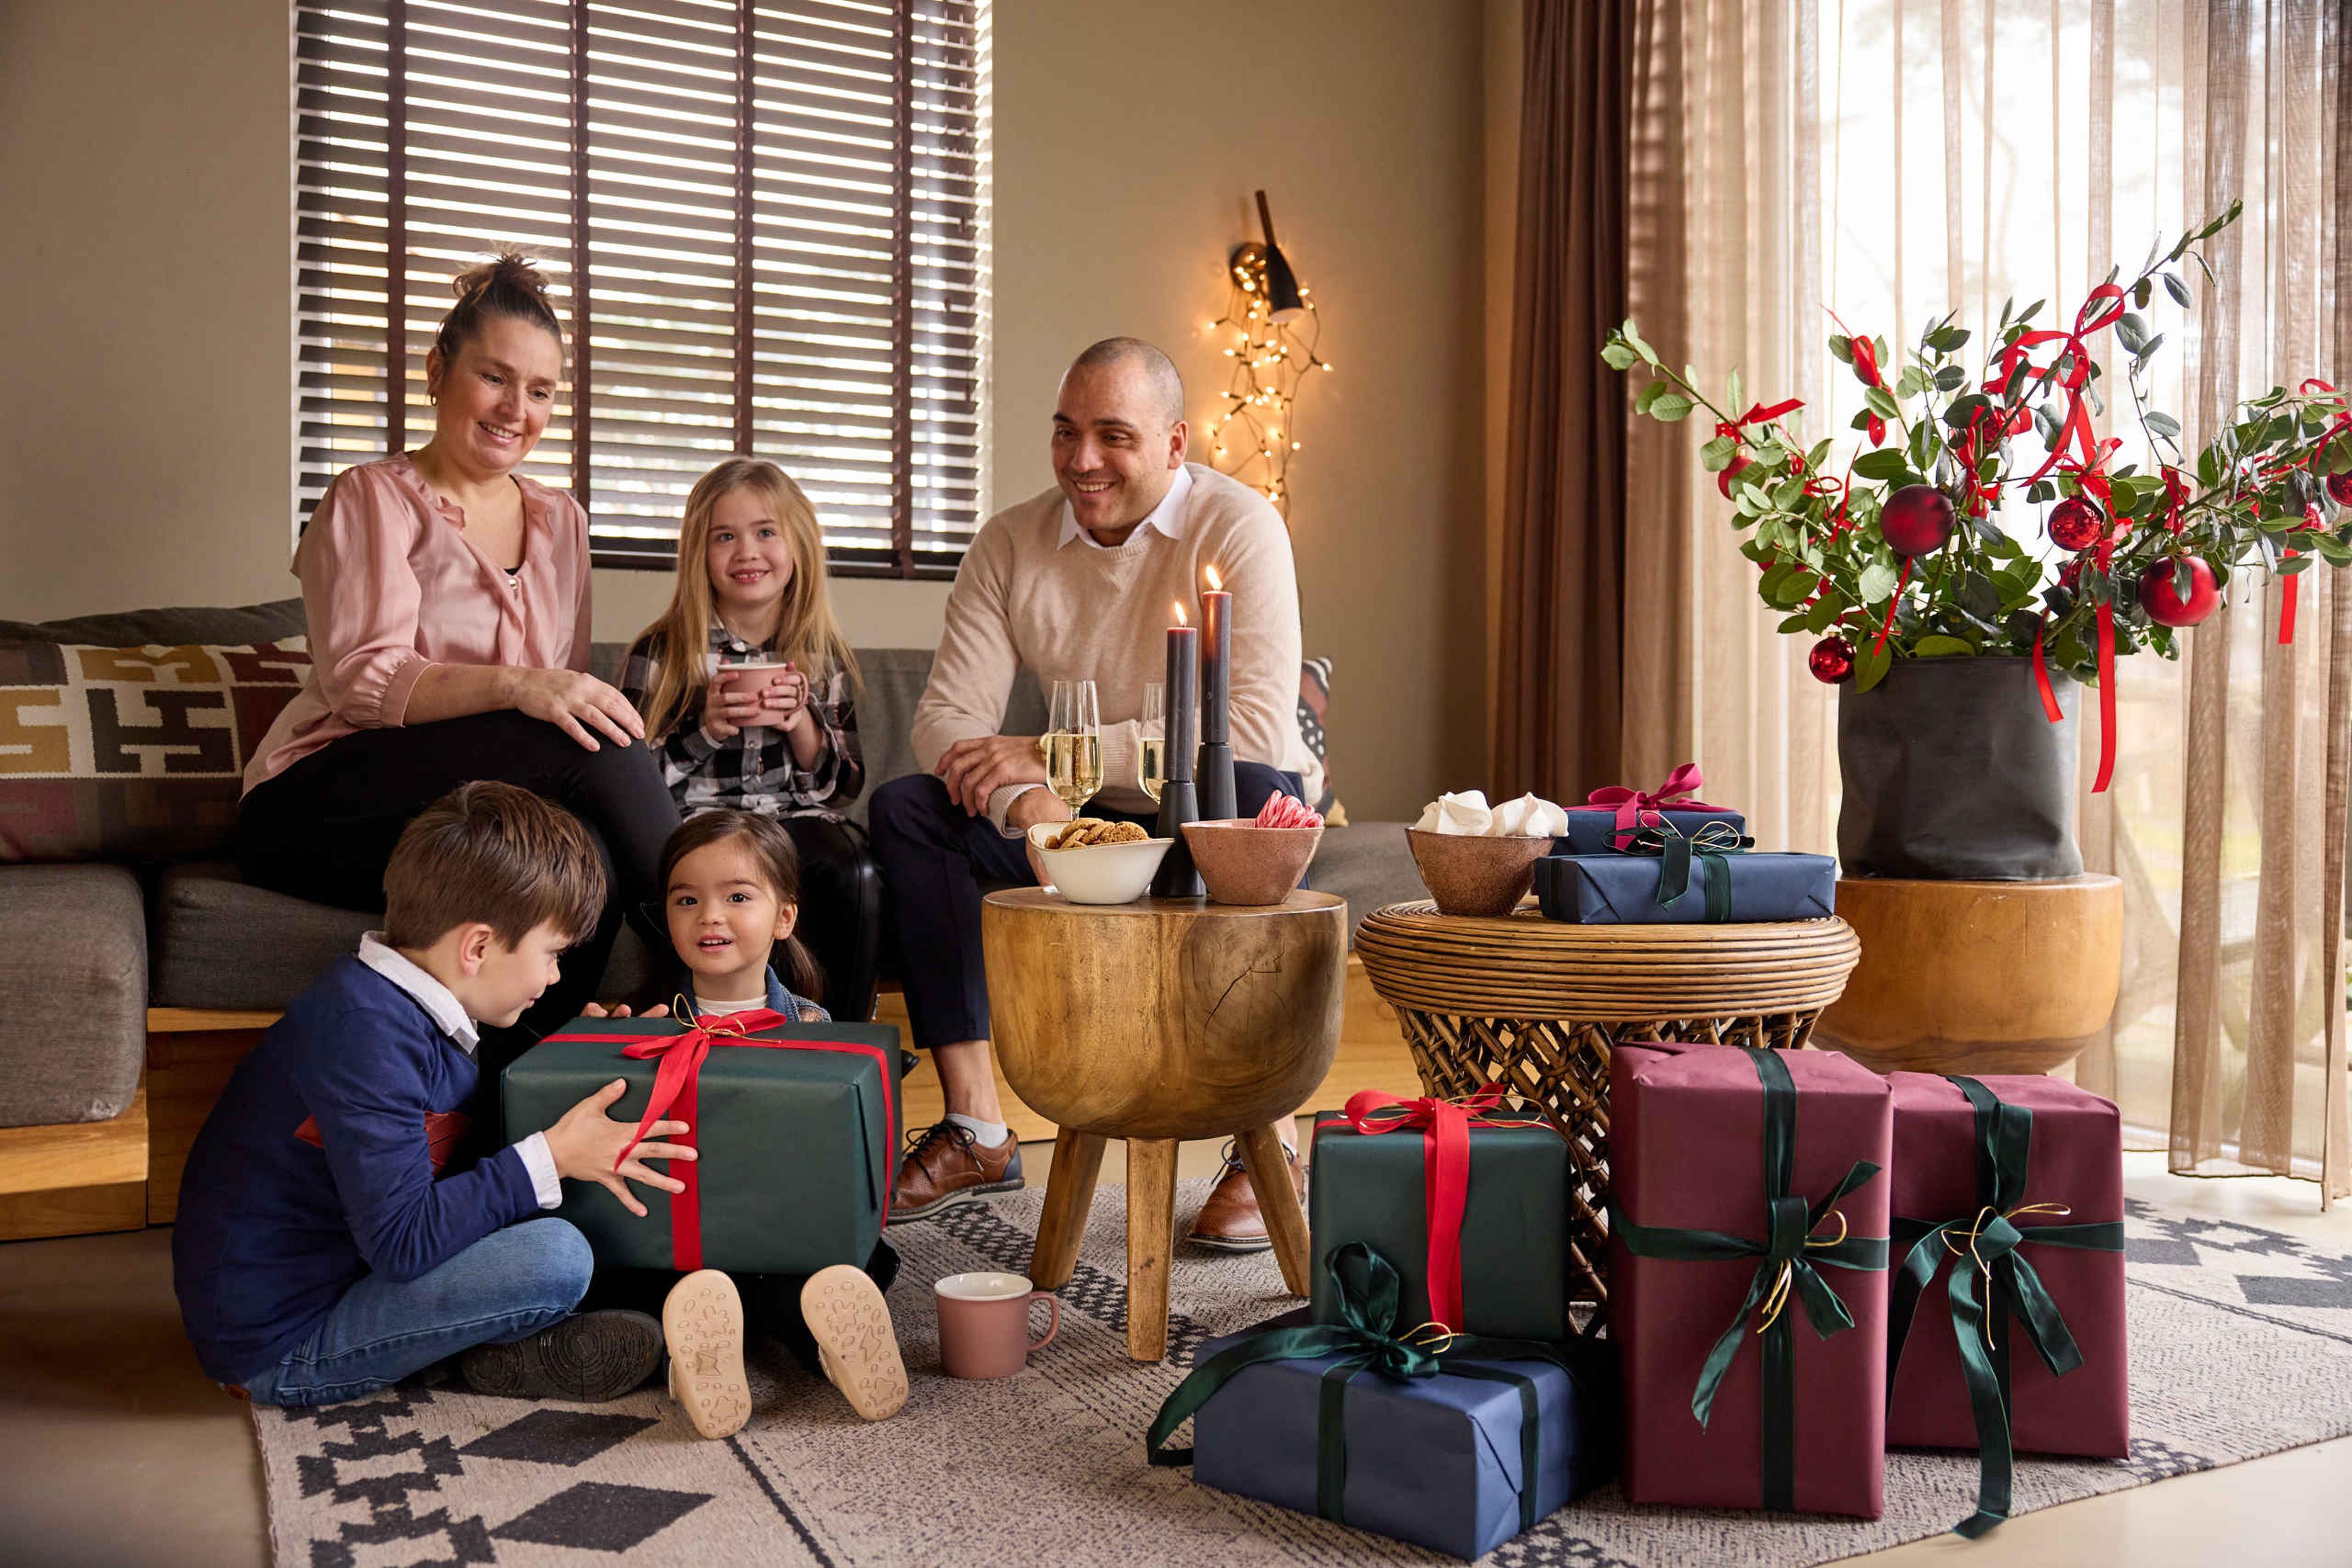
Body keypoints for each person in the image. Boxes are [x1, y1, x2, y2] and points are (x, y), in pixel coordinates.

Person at [868, 337, 1320, 1244]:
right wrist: (1031, 806)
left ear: (1176, 443)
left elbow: (1259, 729)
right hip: (1068, 812)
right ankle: (977, 1129)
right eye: (1066, 433)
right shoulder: (1009, 542)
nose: (1082, 461)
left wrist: (1047, 752)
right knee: (907, 809)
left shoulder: (1240, 527)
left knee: (1252, 785)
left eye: (1113, 436)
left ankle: (1264, 1142)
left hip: (1208, 797)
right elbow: (945, 719)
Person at [235, 252, 680, 1086]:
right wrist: (520, 687)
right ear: (439, 372)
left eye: (542, 391)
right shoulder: (372, 497)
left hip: (473, 811)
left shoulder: (561, 520)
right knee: (592, 742)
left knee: (580, 853)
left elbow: (561, 692)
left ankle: (512, 1099)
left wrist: (545, 697)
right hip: (320, 806)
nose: (519, 409)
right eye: (495, 377)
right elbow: (366, 682)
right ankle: (725, 967)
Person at [173, 784, 694, 1408]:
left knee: (551, 1193)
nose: (554, 977)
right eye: (552, 955)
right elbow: (403, 1242)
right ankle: (486, 1347)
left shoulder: (398, 1005)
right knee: (557, 1254)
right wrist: (551, 1157)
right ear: (477, 947)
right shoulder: (366, 1034)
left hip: (350, 1271)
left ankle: (501, 1343)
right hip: (283, 1344)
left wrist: (585, 1054)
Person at [580, 810, 908, 1438]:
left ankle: (827, 1351)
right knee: (664, 1282)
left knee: (834, 1270)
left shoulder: (815, 1031)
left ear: (784, 916)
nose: (710, 915)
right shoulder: (644, 1022)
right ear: (666, 914)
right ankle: (704, 1355)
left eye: (737, 896)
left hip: (778, 1234)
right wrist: (599, 1045)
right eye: (687, 899)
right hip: (682, 1238)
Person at [617, 458, 879, 1021]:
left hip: (793, 823)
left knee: (852, 870)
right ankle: (690, 1023)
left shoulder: (822, 655)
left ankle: (842, 1036)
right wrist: (704, 731)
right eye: (725, 537)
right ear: (699, 555)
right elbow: (628, 786)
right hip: (696, 824)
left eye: (765, 532)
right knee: (684, 871)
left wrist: (803, 724)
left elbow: (844, 789)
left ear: (798, 547)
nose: (747, 552)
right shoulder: (662, 652)